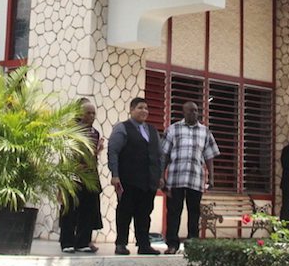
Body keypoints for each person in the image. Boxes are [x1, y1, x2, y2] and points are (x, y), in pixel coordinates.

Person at [161, 101, 220, 254]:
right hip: (175, 178)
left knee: (194, 213)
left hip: (196, 179)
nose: (194, 113)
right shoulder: (173, 129)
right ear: (184, 112)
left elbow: (209, 156)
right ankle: (172, 245)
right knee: (173, 212)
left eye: (196, 110)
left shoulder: (205, 132)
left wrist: (211, 178)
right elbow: (165, 154)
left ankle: (192, 245)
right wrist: (161, 176)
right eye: (190, 111)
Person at [108, 96, 163, 256]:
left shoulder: (152, 130)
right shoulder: (122, 128)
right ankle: (121, 244)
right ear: (131, 110)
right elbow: (113, 151)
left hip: (148, 181)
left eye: (146, 108)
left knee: (144, 214)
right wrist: (115, 175)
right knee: (124, 212)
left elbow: (159, 155)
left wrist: (160, 176)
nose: (144, 111)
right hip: (128, 179)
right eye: (140, 108)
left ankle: (144, 245)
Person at [59, 100, 103, 253]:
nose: (91, 116)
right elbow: (66, 153)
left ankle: (83, 242)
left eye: (93, 113)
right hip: (73, 175)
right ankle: (67, 242)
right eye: (88, 113)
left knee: (88, 209)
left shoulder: (95, 133)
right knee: (70, 209)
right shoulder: (71, 131)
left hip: (89, 176)